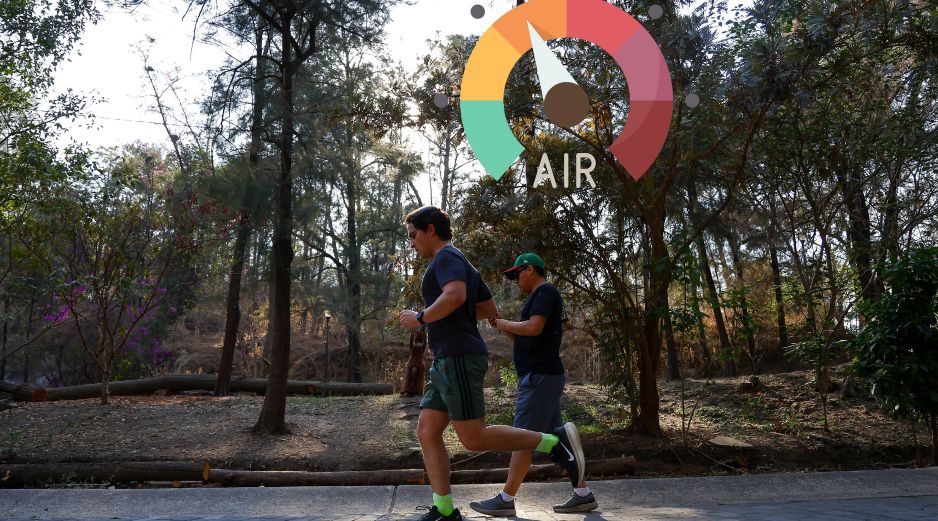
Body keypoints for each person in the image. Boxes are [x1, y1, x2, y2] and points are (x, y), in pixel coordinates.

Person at [399, 206, 586, 521]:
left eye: (413, 235)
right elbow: (487, 308)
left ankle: (555, 443)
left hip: (458, 356)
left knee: (474, 438)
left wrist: (421, 316)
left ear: (430, 230)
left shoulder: (446, 258)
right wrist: (447, 316)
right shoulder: (464, 264)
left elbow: (456, 295)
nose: (412, 243)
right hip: (446, 358)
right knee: (427, 431)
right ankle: (445, 510)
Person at [469, 253, 598, 516]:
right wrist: (503, 326)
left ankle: (506, 499)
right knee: (558, 441)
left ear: (531, 269)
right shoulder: (536, 298)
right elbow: (525, 338)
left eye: (518, 273)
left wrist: (508, 323)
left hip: (539, 378)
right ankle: (583, 495)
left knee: (522, 438)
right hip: (540, 377)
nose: (516, 280)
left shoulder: (545, 292)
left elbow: (535, 328)